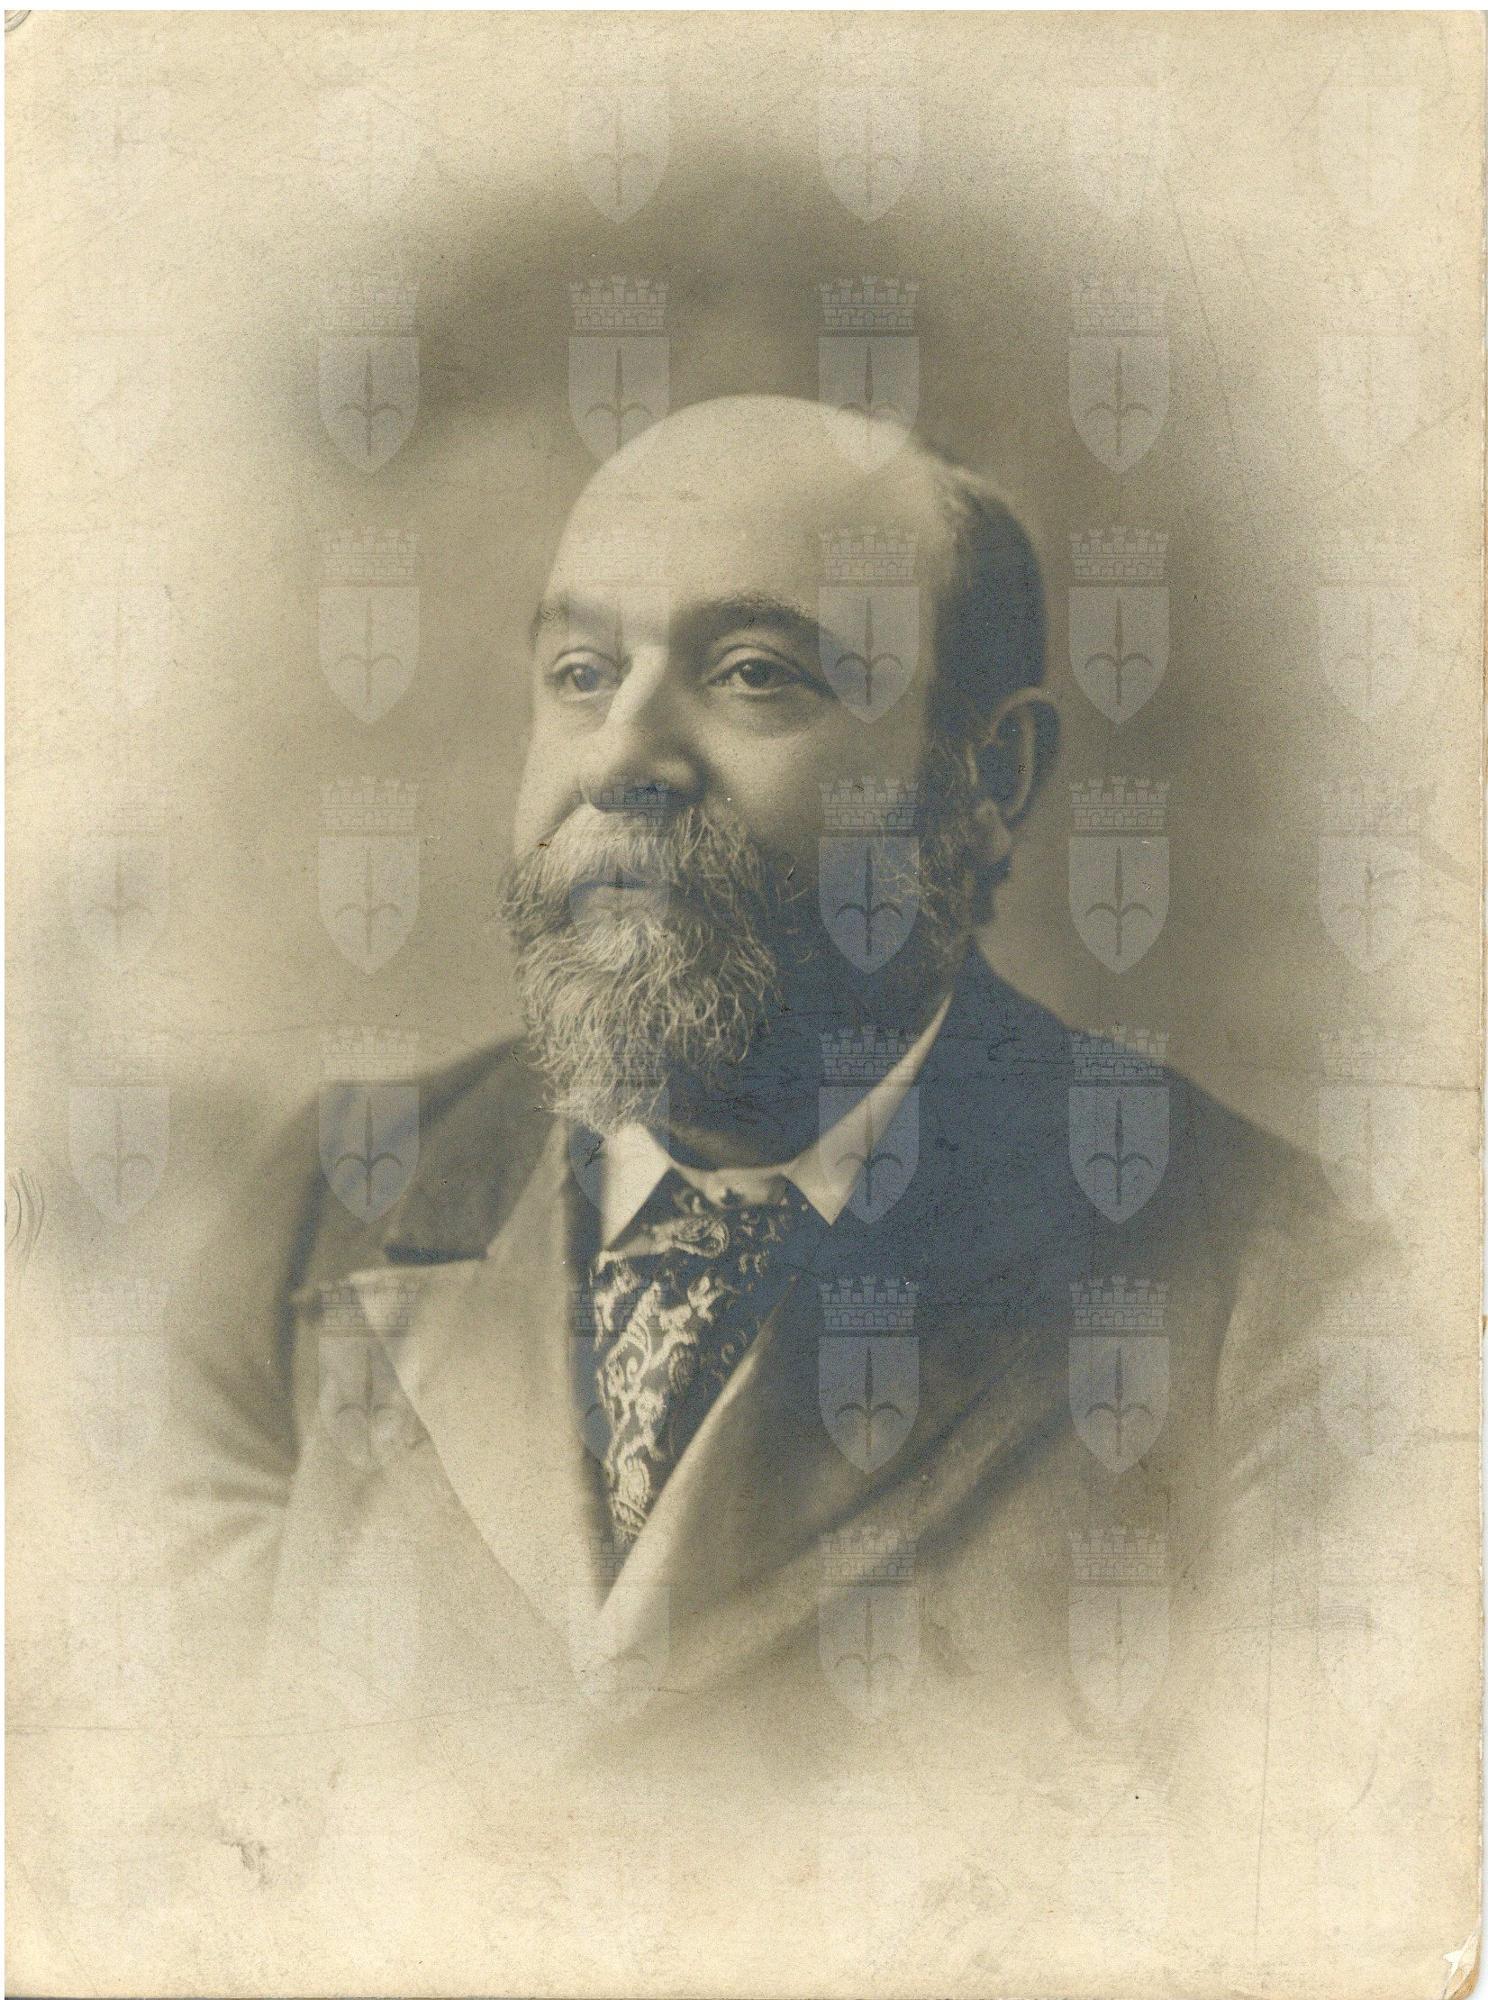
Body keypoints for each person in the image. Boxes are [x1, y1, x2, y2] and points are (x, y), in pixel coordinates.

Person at [166, 396, 1382, 1893]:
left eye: (754, 675)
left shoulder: (1272, 1296)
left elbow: (1285, 1904)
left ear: (990, 778)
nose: (624, 756)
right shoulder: (326, 1203)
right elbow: (165, 1852)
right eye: (581, 673)